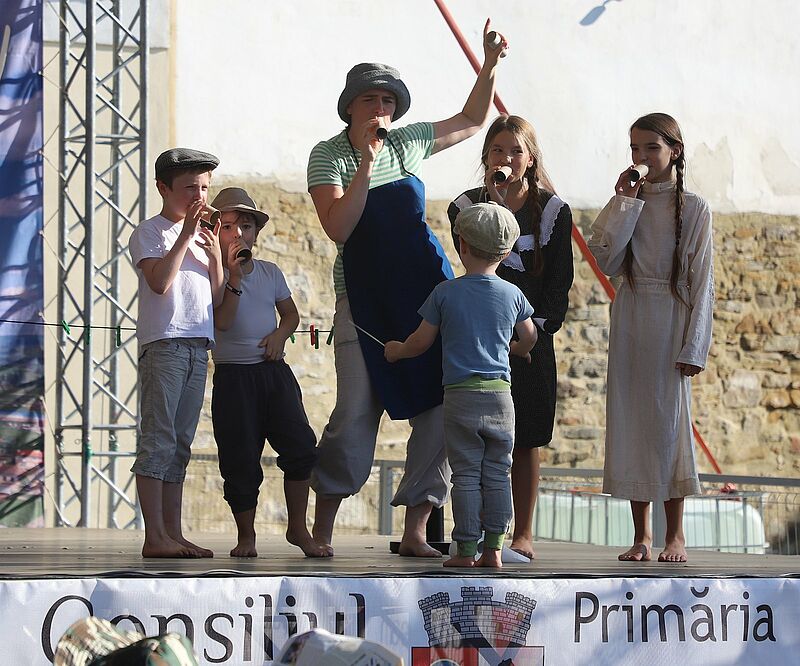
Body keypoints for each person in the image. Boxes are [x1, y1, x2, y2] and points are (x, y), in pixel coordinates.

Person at [306, 20, 509, 557]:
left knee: (442, 408)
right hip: (364, 302)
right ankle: (321, 527)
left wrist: (488, 65)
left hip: (426, 293)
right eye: (370, 100)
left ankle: (417, 527)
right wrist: (366, 168)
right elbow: (339, 227)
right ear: (349, 106)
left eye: (388, 101)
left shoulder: (412, 140)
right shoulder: (327, 155)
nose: (380, 109)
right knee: (354, 412)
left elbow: (470, 120)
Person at [588, 113, 714, 563]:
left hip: (671, 321)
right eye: (635, 149)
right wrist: (624, 202)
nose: (641, 157)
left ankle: (674, 535)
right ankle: (641, 534)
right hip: (632, 315)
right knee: (630, 423)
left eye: (651, 149)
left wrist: (695, 345)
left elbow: (703, 282)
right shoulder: (628, 201)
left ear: (674, 151)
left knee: (668, 425)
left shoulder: (696, 208)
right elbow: (605, 260)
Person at [447, 115, 574, 560]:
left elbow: (559, 283)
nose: (507, 159)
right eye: (498, 151)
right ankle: (478, 532)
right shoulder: (464, 207)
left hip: (532, 340)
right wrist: (496, 202)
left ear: (530, 158)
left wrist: (535, 332)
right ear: (486, 158)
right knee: (475, 443)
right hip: (481, 341)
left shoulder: (555, 212)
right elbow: (483, 264)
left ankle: (522, 532)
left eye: (516, 151)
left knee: (525, 439)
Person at [385, 202, 537, 568]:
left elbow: (420, 342)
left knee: (466, 474)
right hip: (501, 397)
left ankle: (466, 551)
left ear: (461, 244)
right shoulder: (512, 295)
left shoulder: (445, 293)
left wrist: (397, 351)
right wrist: (516, 350)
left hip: (460, 398)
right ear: (506, 251)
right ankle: (494, 549)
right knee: (499, 472)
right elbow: (530, 336)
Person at [209, 187, 327, 558]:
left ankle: (298, 528)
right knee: (239, 458)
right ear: (216, 232)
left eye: (246, 225)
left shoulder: (270, 272)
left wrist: (280, 334)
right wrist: (232, 277)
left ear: (256, 233)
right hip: (233, 378)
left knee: (301, 447)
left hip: (272, 372)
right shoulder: (211, 275)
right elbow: (223, 322)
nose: (239, 234)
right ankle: (247, 536)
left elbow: (290, 314)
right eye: (228, 226)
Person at [128, 148, 224, 558]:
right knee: (158, 439)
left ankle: (173, 532)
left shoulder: (204, 238)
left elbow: (216, 300)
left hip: (198, 344)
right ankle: (155, 536)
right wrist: (186, 234)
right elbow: (161, 283)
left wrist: (217, 255)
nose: (199, 196)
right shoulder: (150, 232)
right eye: (190, 189)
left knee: (180, 442)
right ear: (163, 188)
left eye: (204, 188)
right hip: (164, 343)